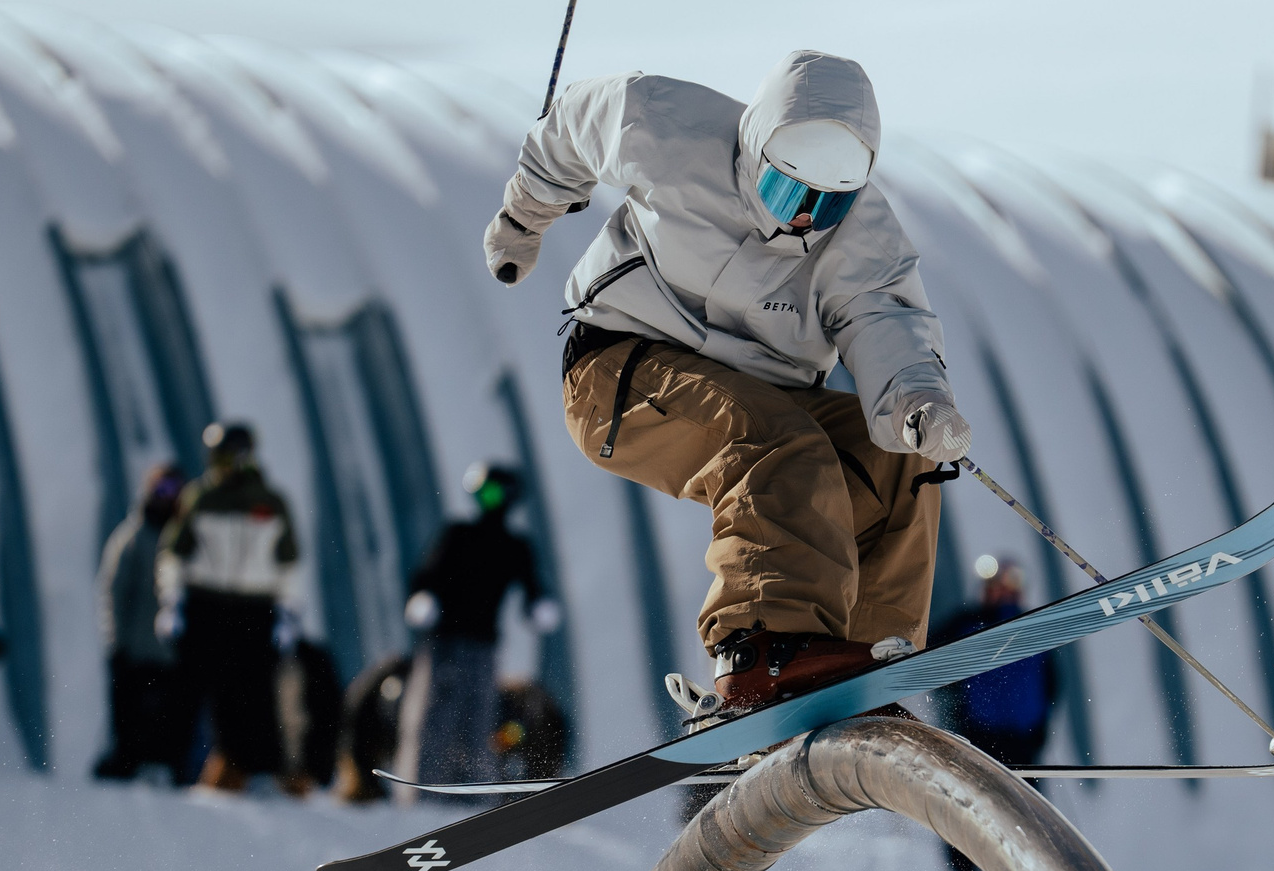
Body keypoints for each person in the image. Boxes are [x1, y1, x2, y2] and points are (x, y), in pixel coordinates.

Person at [484, 49, 972, 717]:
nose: (800, 218)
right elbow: (571, 126)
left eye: (825, 204)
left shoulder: (861, 236)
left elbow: (884, 317)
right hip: (618, 369)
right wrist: (523, 218)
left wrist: (917, 401)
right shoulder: (669, 128)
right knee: (778, 439)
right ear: (756, 151)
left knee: (893, 459)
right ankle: (760, 650)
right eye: (786, 192)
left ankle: (861, 667)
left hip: (761, 392)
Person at [393, 462, 562, 794]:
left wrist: (538, 606)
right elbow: (427, 575)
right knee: (432, 716)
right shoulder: (459, 535)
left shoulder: (515, 547)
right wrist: (422, 598)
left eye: (498, 492)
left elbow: (532, 586)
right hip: (444, 643)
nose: (492, 500)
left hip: (483, 646)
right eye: (485, 492)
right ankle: (421, 787)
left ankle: (472, 792)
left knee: (478, 719)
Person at [161, 421, 301, 793]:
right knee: (205, 690)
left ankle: (257, 771)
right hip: (207, 604)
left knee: (254, 691)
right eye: (218, 456)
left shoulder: (270, 502)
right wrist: (172, 600)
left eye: (229, 455)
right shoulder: (201, 498)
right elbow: (174, 554)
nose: (223, 464)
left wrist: (288, 610)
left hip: (255, 608)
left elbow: (288, 562)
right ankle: (186, 771)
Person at [929, 555, 1060, 871]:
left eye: (1008, 585)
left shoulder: (1033, 627)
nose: (1001, 591)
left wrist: (1041, 727)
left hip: (1022, 739)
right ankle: (964, 866)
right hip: (980, 734)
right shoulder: (967, 624)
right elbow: (931, 660)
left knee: (1025, 810)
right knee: (971, 799)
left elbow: (1052, 683)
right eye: (995, 585)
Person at [93, 462, 192, 783]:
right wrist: (116, 643)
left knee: (173, 729)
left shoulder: (186, 540)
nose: (167, 498)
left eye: (174, 492)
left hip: (173, 655)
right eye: (161, 490)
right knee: (129, 726)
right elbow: (113, 592)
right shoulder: (132, 538)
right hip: (135, 651)